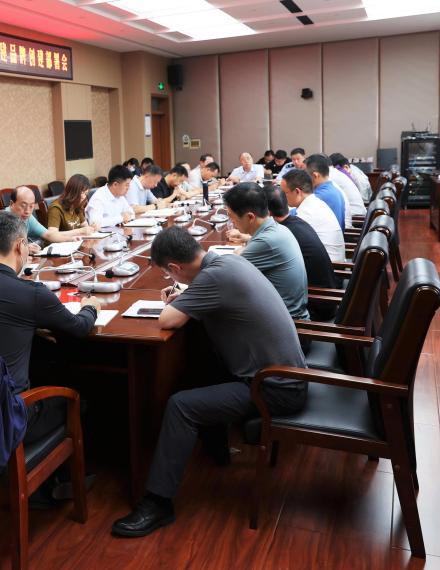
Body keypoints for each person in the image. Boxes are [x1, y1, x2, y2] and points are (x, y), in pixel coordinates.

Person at [110, 227, 307, 537]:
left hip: (276, 388)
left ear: (174, 268)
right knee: (201, 362)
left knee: (181, 406)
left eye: (168, 274)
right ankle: (217, 448)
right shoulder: (225, 263)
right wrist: (188, 297)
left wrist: (179, 302)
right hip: (282, 373)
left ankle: (158, 503)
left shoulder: (213, 277)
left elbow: (167, 319)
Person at [0, 210, 101, 434]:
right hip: (11, 418)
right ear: (20, 246)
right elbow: (79, 327)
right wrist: (91, 307)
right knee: (80, 399)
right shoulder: (32, 293)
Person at [223, 183, 309, 321]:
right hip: (283, 314)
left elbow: (225, 277)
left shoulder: (266, 242)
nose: (231, 221)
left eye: (231, 216)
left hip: (286, 324)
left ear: (250, 217)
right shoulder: (277, 228)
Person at [265, 185, 339, 321]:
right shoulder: (296, 222)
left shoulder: (281, 235)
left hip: (314, 307)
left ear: (267, 212)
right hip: (325, 299)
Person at [280, 170, 345, 262]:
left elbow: (285, 242)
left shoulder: (306, 213)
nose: (281, 197)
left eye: (284, 193)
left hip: (331, 266)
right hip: (329, 261)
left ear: (297, 192)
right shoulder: (315, 202)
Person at [10, 186, 96, 254]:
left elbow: (49, 235)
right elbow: (5, 250)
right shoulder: (5, 220)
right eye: (23, 206)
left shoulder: (28, 217)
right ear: (11, 204)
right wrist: (25, 248)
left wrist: (70, 239)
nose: (27, 211)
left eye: (31, 206)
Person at [305, 154, 347, 230]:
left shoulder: (321, 195)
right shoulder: (332, 188)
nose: (302, 178)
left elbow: (295, 214)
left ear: (315, 176)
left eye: (304, 174)